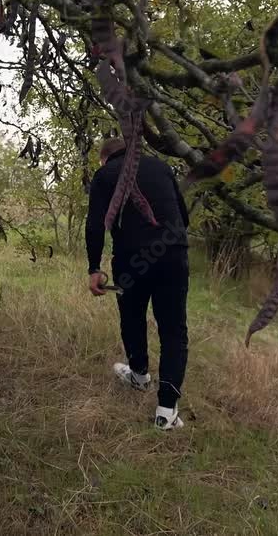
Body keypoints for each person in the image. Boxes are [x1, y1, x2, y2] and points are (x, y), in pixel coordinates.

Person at [85, 138, 191, 430]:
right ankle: (166, 413)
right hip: (173, 254)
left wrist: (94, 268)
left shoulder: (105, 174)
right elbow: (183, 217)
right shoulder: (161, 167)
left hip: (132, 259)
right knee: (173, 331)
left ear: (105, 158)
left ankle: (140, 375)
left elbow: (95, 225)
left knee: (132, 318)